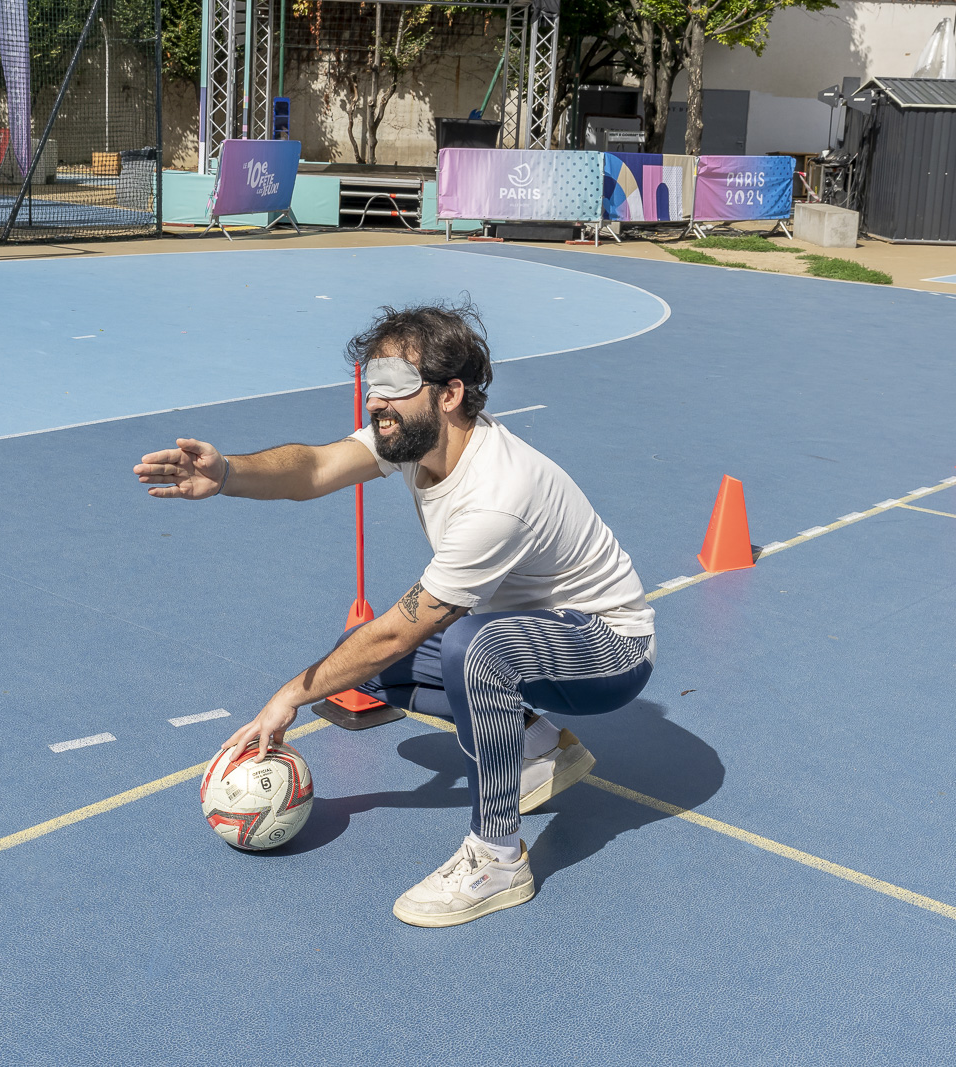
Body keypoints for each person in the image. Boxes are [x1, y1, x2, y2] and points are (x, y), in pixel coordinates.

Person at [132, 301, 655, 928]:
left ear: (449, 394)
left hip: (608, 651)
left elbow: (405, 630)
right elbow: (318, 466)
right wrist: (227, 473)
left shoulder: (497, 494)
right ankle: (541, 749)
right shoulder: (412, 439)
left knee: (465, 647)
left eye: (393, 390)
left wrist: (289, 697)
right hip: (526, 634)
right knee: (363, 660)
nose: (375, 404)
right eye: (371, 387)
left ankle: (498, 859)